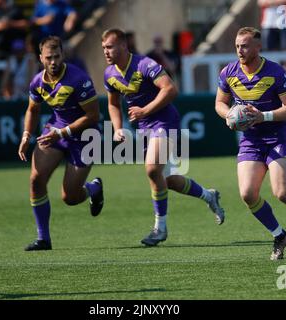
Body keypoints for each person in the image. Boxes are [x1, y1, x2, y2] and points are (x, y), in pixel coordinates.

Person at [214, 27, 286, 260]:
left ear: (258, 47)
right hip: (251, 140)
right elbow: (219, 102)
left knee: (282, 193)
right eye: (237, 45)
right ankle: (279, 235)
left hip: (277, 137)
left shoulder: (276, 72)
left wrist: (263, 116)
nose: (240, 50)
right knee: (247, 194)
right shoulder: (229, 72)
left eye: (245, 45)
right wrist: (228, 115)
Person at [101, 28, 225, 247]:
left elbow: (170, 89)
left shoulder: (145, 64)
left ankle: (160, 228)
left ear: (123, 45)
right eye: (103, 48)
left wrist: (145, 110)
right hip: (143, 127)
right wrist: (118, 128)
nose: (106, 51)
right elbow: (112, 104)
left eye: (110, 46)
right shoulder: (110, 74)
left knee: (151, 170)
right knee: (168, 181)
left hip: (164, 121)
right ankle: (209, 196)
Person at [18, 36, 103, 251]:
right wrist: (26, 135)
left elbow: (93, 116)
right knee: (36, 180)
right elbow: (32, 109)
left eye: (57, 56)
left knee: (70, 198)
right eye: (49, 57)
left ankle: (93, 189)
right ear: (41, 58)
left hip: (85, 136)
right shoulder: (38, 81)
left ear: (63, 55)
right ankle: (43, 239)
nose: (53, 62)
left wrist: (62, 133)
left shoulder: (79, 79)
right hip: (54, 131)